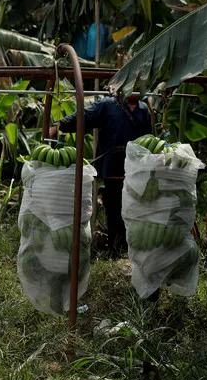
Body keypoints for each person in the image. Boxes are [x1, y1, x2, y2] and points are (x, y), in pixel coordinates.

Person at [48, 93, 152, 258]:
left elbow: (149, 138)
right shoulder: (109, 105)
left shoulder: (144, 109)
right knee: (114, 208)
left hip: (135, 169)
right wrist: (59, 125)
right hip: (113, 166)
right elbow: (84, 116)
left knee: (135, 208)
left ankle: (132, 248)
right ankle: (116, 250)